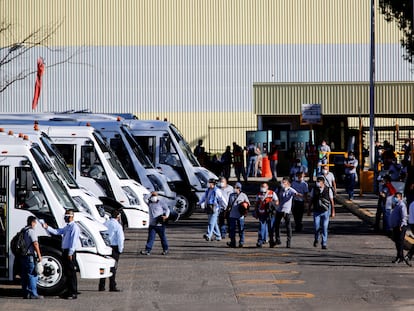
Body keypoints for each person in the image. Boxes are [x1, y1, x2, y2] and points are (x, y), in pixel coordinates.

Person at [43, 210, 80, 299]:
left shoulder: (74, 227)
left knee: (71, 272)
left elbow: (73, 242)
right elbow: (57, 232)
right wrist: (47, 227)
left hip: (69, 251)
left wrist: (70, 253)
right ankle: (67, 291)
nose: (65, 218)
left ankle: (73, 292)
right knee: (67, 272)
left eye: (66, 216)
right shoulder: (67, 227)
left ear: (71, 217)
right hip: (65, 251)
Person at [99, 210, 124, 292]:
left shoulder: (105, 223)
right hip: (114, 248)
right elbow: (120, 238)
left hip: (105, 246)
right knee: (113, 267)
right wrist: (120, 249)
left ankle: (101, 285)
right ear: (118, 216)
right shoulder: (118, 226)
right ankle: (112, 286)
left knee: (104, 265)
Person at [272, 177, 300, 248]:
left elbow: (296, 193)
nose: (282, 183)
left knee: (288, 227)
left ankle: (288, 242)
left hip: (286, 211)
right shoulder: (279, 189)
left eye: (284, 182)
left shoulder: (290, 190)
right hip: (279, 210)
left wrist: (300, 195)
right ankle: (277, 240)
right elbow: (274, 196)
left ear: (288, 184)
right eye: (282, 182)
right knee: (276, 226)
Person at [20, 216, 43, 299]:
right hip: (30, 256)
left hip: (23, 256)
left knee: (24, 275)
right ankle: (33, 293)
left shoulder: (24, 230)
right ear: (33, 222)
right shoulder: (31, 231)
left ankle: (26, 293)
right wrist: (39, 255)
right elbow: (35, 244)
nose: (35, 224)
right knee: (33, 274)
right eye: (35, 222)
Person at [309, 176, 335, 249]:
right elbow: (311, 199)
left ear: (323, 183)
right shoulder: (314, 189)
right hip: (316, 211)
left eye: (319, 182)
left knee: (324, 227)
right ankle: (316, 239)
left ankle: (324, 243)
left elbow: (331, 201)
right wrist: (309, 209)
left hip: (325, 211)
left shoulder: (328, 190)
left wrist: (333, 211)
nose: (317, 183)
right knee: (316, 227)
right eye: (317, 182)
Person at [254, 182, 279, 247]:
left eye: (264, 186)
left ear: (267, 187)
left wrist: (272, 204)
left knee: (271, 228)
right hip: (262, 213)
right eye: (262, 186)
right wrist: (256, 212)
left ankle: (271, 241)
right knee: (261, 227)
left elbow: (277, 202)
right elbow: (256, 204)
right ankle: (260, 241)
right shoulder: (259, 194)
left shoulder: (272, 193)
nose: (263, 188)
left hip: (270, 213)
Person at [226, 182, 250, 248]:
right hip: (232, 215)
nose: (234, 189)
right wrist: (226, 212)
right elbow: (229, 205)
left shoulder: (243, 195)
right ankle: (232, 242)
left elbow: (248, 204)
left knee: (241, 229)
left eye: (236, 187)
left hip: (240, 215)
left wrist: (244, 206)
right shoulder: (231, 195)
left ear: (239, 188)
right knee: (232, 229)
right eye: (234, 187)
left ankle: (241, 242)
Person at [389, 192, 410, 265]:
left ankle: (400, 257)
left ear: (400, 198)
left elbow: (404, 216)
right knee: (397, 242)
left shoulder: (402, 205)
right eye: (395, 197)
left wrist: (401, 225)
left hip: (400, 226)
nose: (395, 198)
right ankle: (399, 256)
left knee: (400, 242)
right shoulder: (396, 205)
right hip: (396, 226)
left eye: (397, 197)